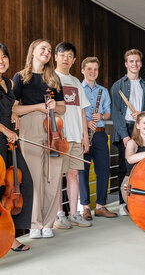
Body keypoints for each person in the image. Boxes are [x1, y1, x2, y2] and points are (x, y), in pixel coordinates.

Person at [13, 39, 66, 239]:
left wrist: (54, 107)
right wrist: (37, 107)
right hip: (31, 126)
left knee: (52, 177)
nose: (47, 51)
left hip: (54, 128)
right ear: (33, 51)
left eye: (49, 50)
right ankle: (34, 223)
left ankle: (48, 223)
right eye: (43, 48)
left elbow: (62, 107)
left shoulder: (53, 77)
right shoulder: (20, 77)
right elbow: (14, 109)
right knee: (34, 178)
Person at [111, 49, 145, 215]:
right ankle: (122, 204)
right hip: (125, 128)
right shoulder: (118, 85)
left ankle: (141, 201)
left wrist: (143, 114)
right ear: (126, 64)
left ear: (141, 64)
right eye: (131, 61)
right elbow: (116, 112)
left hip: (143, 128)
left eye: (137, 61)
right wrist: (124, 135)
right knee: (125, 168)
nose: (134, 64)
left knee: (144, 166)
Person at [51, 42, 91, 229]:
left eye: (69, 56)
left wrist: (85, 136)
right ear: (55, 56)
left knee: (74, 174)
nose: (65, 58)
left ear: (74, 60)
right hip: (59, 136)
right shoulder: (51, 78)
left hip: (76, 135)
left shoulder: (76, 82)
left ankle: (74, 213)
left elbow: (82, 112)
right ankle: (60, 215)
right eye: (62, 55)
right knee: (59, 176)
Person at [0, 43, 33, 251]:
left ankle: (10, 235)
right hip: (2, 138)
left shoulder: (7, 82)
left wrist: (13, 114)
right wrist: (5, 130)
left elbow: (9, 106)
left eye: (4, 56)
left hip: (10, 142)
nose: (1, 61)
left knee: (23, 184)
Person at [79, 57, 117, 220]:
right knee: (83, 172)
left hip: (100, 134)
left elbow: (109, 112)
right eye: (89, 69)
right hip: (83, 135)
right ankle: (85, 207)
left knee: (103, 170)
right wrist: (86, 122)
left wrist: (101, 115)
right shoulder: (78, 89)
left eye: (95, 69)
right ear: (83, 70)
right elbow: (74, 112)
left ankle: (101, 206)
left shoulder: (103, 90)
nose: (92, 72)